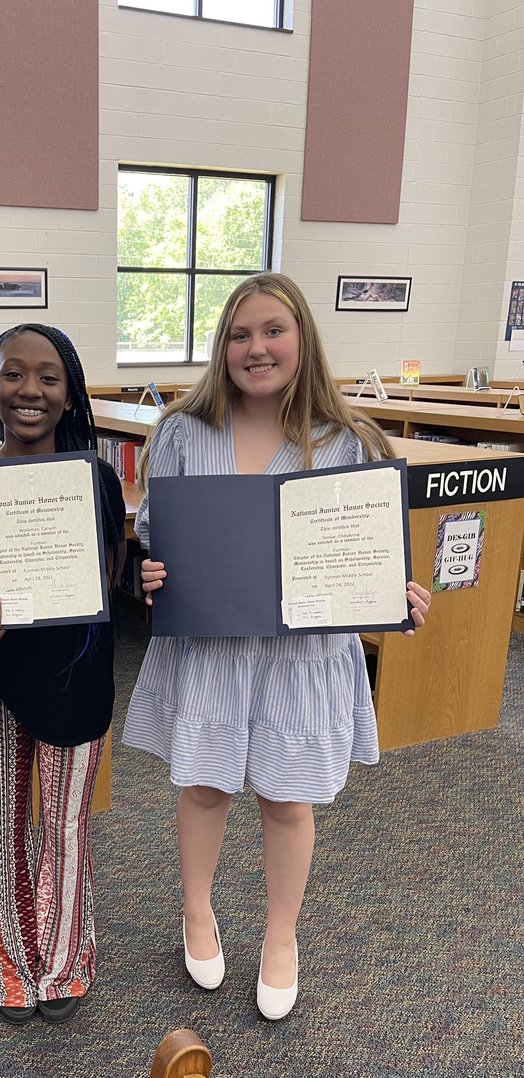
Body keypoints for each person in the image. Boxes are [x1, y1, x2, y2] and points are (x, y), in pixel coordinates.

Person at [122, 273, 431, 1020]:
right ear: (221, 346)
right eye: (239, 334)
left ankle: (281, 935)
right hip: (215, 648)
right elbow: (159, 536)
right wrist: (150, 572)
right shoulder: (180, 434)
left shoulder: (351, 441)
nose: (255, 348)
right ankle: (197, 910)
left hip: (303, 656)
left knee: (288, 800)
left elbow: (369, 557)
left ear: (302, 340)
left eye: (272, 331)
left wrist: (397, 600)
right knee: (204, 785)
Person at [0, 323, 125, 1025]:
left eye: (48, 377)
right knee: (0, 826)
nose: (30, 390)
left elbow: (107, 589)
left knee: (65, 828)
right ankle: (12, 968)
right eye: (13, 375)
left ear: (70, 391)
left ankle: (65, 962)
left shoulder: (96, 479)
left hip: (74, 679)